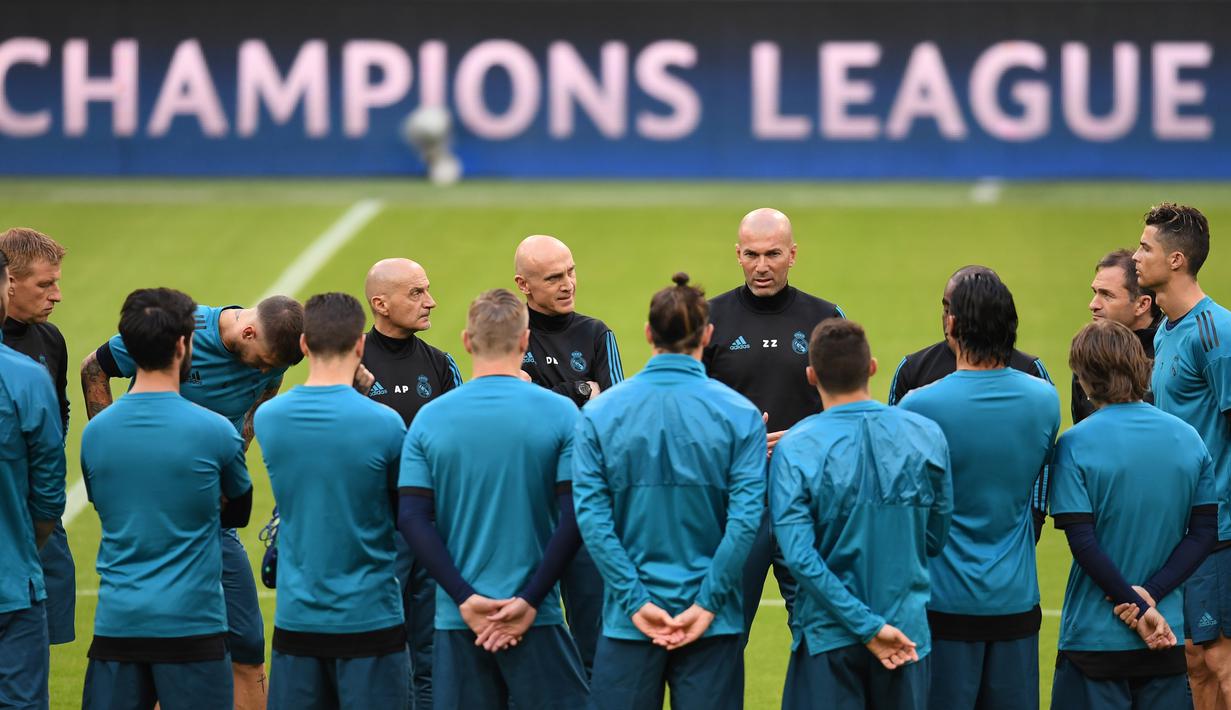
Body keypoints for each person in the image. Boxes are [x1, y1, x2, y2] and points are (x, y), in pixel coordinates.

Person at [81, 293, 304, 709]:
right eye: (263, 361)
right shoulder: (174, 329)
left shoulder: (272, 362)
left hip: (212, 514)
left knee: (249, 639)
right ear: (249, 331)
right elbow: (95, 367)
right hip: (152, 510)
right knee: (161, 641)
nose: (265, 371)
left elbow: (259, 404)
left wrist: (228, 462)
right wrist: (119, 440)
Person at [575, 273, 765, 709]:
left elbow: (593, 518)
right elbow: (745, 520)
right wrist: (707, 603)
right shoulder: (740, 414)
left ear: (648, 334)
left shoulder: (601, 412)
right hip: (711, 625)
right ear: (708, 334)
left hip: (630, 622)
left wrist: (636, 601)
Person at [398, 288, 589, 708]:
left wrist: (465, 598)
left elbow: (412, 518)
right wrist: (529, 600)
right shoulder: (561, 414)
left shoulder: (431, 418)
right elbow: (575, 516)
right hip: (537, 618)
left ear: (467, 341)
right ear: (524, 341)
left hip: (459, 621)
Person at [899, 270, 1059, 710]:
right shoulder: (1045, 400)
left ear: (952, 324)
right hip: (1017, 604)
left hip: (942, 607)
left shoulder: (919, 405)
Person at [771, 319, 952, 710]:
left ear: (811, 375)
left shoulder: (796, 446)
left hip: (827, 639)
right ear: (871, 366)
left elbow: (799, 557)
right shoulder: (927, 435)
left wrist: (866, 628)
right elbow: (935, 537)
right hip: (905, 636)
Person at [1050, 319, 1217, 710]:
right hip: (1165, 637)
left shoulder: (1074, 443)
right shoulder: (1188, 438)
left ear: (1085, 380)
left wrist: (1133, 604)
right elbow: (1204, 533)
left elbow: (1083, 541)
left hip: (1093, 640)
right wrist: (1151, 597)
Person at [257, 292, 409, 710]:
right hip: (371, 617)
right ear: (360, 346)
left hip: (298, 620)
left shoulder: (271, 419)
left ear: (303, 346)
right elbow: (401, 509)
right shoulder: (385, 423)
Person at [701, 207, 845, 644]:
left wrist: (800, 439)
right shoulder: (710, 318)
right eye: (751, 254)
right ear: (738, 255)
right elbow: (690, 412)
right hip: (735, 500)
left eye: (773, 254)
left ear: (793, 254)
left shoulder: (825, 317)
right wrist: (742, 444)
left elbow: (847, 409)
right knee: (723, 635)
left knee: (819, 631)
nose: (761, 266)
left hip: (806, 498)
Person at [1132, 202, 1231, 708]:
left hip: (1218, 530)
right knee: (1193, 658)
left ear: (1175, 260)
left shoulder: (1218, 333)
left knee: (1218, 660)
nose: (1135, 256)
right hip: (1182, 528)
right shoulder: (1169, 330)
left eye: (1145, 248)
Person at [514, 234, 624, 673]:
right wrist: (579, 390)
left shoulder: (596, 334)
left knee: (594, 643)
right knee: (525, 635)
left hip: (586, 501)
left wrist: (543, 392)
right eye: (553, 277)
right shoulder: (508, 331)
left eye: (571, 272)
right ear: (524, 284)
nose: (568, 284)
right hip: (527, 504)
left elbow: (614, 415)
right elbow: (512, 410)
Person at [361, 258, 462, 709]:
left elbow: (463, 441)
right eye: (417, 293)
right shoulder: (352, 362)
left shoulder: (440, 364)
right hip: (377, 530)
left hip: (434, 527)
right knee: (382, 646)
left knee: (433, 650)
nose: (431, 301)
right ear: (380, 304)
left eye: (428, 290)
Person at [0, 228, 75, 650]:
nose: (56, 295)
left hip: (40, 516)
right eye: (45, 284)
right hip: (10, 516)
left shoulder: (50, 339)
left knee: (37, 647)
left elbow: (58, 409)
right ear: (9, 282)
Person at [1071, 249, 1162, 424]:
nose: (1093, 305)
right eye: (1095, 292)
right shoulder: (1088, 354)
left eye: (1107, 295)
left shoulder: (1171, 354)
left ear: (1142, 304)